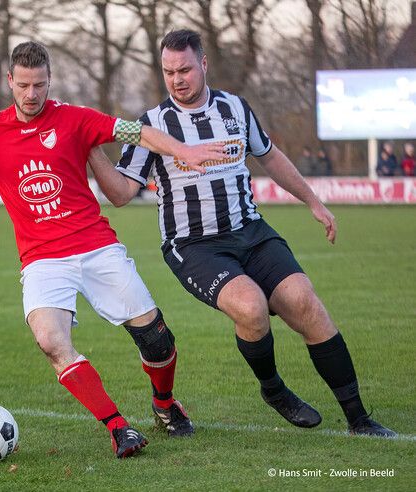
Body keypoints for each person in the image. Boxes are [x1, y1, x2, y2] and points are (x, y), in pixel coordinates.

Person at [0, 41, 227, 458]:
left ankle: (165, 405)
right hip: (42, 259)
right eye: (23, 85)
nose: (31, 94)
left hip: (97, 246)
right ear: (10, 81)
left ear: (49, 80)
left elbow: (136, 131)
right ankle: (117, 427)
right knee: (50, 340)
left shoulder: (75, 119)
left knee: (156, 340)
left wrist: (182, 150)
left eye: (39, 84)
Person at [87, 29, 395, 437]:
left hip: (250, 231)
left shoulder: (235, 108)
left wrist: (313, 201)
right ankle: (275, 390)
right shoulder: (152, 126)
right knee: (250, 307)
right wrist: (91, 150)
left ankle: (360, 419)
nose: (177, 79)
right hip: (193, 245)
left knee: (305, 303)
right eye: (168, 72)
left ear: (203, 65)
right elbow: (123, 193)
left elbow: (270, 157)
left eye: (184, 69)